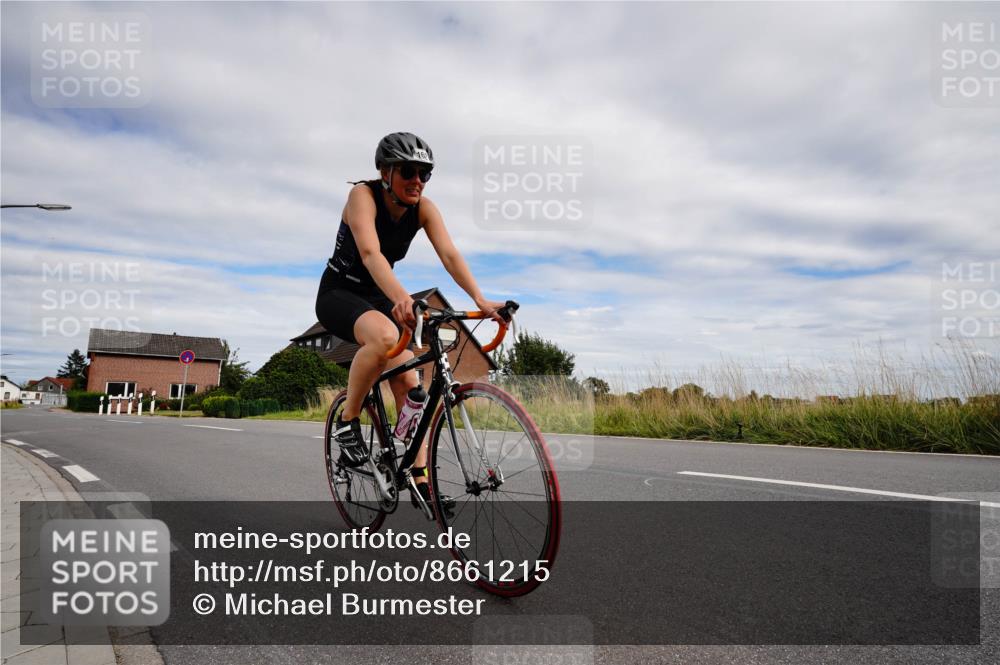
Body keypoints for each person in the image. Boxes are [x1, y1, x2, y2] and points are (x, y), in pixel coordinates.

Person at [315, 132, 505, 511]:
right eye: (408, 171)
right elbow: (370, 254)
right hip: (340, 293)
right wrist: (403, 299)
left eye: (425, 173)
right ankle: (348, 423)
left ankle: (420, 479)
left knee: (410, 380)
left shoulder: (424, 209)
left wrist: (480, 300)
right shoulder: (362, 198)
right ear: (385, 172)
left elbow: (449, 254)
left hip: (381, 296)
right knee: (386, 337)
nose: (417, 180)